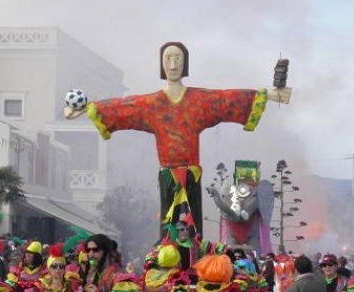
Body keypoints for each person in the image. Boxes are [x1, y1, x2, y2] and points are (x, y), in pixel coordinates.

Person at [64, 42, 290, 237]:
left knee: (192, 227)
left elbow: (226, 98)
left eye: (177, 58)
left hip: (191, 174)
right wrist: (87, 109)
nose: (173, 64)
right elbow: (122, 108)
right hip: (167, 176)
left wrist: (268, 95)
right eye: (168, 58)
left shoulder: (199, 101)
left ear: (185, 63)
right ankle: (168, 260)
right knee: (168, 225)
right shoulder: (151, 105)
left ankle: (192, 262)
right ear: (162, 64)